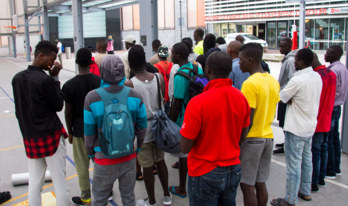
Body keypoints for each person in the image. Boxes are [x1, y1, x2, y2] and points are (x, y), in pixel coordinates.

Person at [180, 51, 250, 205]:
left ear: (208, 69)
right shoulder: (241, 98)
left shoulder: (198, 103)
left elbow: (185, 147)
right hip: (233, 168)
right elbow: (243, 135)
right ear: (229, 70)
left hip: (204, 171)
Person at [84, 55, 147, 206]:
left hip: (103, 157)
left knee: (100, 199)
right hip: (129, 156)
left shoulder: (92, 98)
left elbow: (89, 133)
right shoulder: (135, 96)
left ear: (102, 72)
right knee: (129, 197)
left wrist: (91, 153)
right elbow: (142, 128)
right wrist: (136, 149)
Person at [12, 40, 70, 206]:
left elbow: (19, 110)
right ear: (41, 56)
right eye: (52, 59)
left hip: (31, 137)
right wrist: (55, 78)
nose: (53, 62)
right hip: (50, 136)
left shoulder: (17, 79)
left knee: (35, 182)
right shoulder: (45, 81)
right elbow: (58, 105)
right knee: (60, 183)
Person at [271, 48, 323, 206]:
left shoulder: (297, 80)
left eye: (296, 59)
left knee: (293, 165)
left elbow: (281, 98)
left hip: (296, 128)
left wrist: (292, 98)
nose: (294, 61)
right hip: (310, 126)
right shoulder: (316, 76)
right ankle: (305, 191)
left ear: (301, 62)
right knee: (307, 160)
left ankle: (290, 199)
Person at [124, 45, 172, 206]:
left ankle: (151, 200)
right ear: (145, 60)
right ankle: (166, 195)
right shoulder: (158, 77)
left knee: (146, 165)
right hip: (159, 127)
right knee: (160, 161)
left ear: (130, 64)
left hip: (141, 130)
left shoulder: (130, 84)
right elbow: (162, 100)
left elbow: (130, 111)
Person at [239, 43, 280, 206]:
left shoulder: (250, 84)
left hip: (252, 139)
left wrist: (238, 142)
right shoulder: (272, 80)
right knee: (260, 183)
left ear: (250, 60)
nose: (238, 63)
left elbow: (247, 119)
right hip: (268, 137)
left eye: (241, 60)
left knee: (247, 185)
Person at [62, 48, 102, 205]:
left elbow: (68, 112)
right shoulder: (100, 81)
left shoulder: (69, 85)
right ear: (92, 62)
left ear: (76, 62)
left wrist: (70, 131)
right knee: (100, 162)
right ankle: (106, 193)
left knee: (82, 165)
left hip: (79, 129)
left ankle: (86, 197)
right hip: (98, 128)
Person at [169, 42, 204, 198]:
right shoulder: (197, 67)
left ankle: (182, 188)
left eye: (172, 52)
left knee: (183, 154)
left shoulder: (179, 75)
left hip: (185, 118)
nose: (170, 54)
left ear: (177, 56)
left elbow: (176, 104)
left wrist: (169, 123)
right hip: (200, 114)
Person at [310, 52, 336, 192]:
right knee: (324, 149)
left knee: (315, 152)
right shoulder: (331, 73)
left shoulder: (317, 76)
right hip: (328, 117)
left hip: (318, 120)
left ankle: (313, 183)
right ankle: (321, 179)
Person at [324, 45, 348, 179]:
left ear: (333, 56)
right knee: (335, 138)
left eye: (327, 53)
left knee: (328, 139)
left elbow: (335, 91)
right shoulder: (343, 68)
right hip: (337, 107)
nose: (325, 54)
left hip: (331, 107)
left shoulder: (333, 71)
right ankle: (336, 167)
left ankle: (331, 169)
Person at [273, 38, 297, 155]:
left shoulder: (290, 61)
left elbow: (293, 79)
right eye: (280, 46)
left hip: (285, 96)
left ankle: (287, 145)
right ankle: (285, 142)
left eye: (283, 46)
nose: (280, 48)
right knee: (282, 121)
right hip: (283, 94)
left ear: (289, 47)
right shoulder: (287, 59)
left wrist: (286, 94)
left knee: (284, 121)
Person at [154, 46, 173, 114]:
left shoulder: (155, 67)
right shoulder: (172, 65)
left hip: (161, 97)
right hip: (171, 97)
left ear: (158, 55)